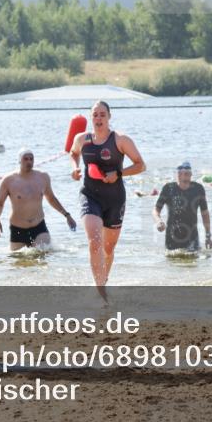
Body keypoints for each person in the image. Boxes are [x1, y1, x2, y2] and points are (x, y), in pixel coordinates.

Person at [69, 101, 146, 301]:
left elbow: (140, 165)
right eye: (95, 115)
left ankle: (103, 281)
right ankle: (100, 291)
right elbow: (73, 153)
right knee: (94, 242)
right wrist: (75, 168)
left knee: (108, 248)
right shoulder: (82, 139)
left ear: (109, 117)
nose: (98, 119)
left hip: (115, 198)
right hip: (90, 195)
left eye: (102, 115)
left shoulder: (120, 140)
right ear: (91, 117)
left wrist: (119, 173)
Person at [0, 148, 76, 250]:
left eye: (31, 159)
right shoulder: (8, 180)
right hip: (17, 229)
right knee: (18, 262)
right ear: (20, 161)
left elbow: (52, 198)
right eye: (26, 159)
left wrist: (67, 215)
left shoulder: (43, 177)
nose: (29, 161)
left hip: (39, 226)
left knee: (43, 254)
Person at [153, 162, 212, 252]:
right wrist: (158, 221)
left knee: (193, 263)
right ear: (177, 175)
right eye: (180, 173)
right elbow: (156, 210)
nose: (183, 176)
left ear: (191, 174)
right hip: (172, 238)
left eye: (186, 173)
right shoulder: (168, 188)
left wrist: (208, 236)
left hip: (192, 238)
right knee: (172, 263)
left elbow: (205, 213)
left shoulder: (198, 189)